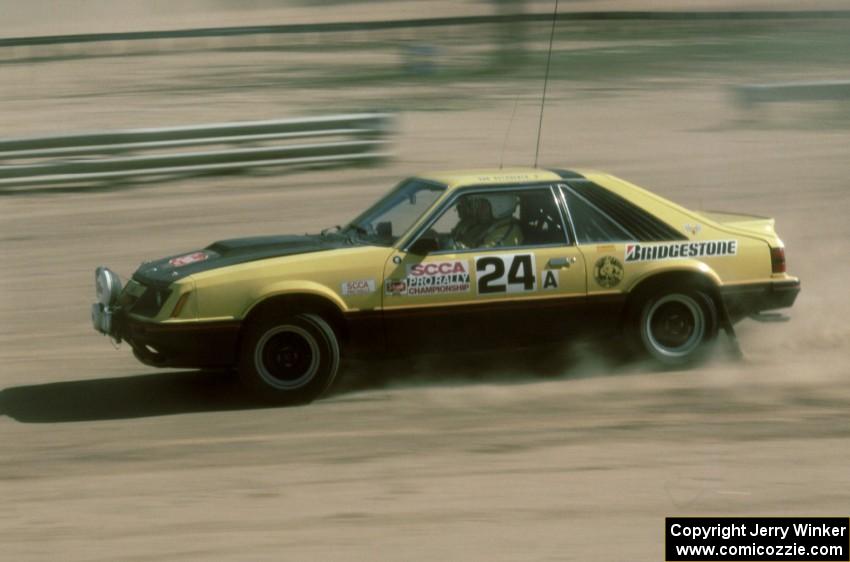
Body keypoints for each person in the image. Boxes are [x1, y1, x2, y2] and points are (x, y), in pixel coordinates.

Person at [451, 193, 523, 249]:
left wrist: (454, 248)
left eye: (482, 205)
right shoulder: (492, 225)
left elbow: (481, 255)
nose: (478, 210)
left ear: (499, 206)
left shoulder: (507, 232)